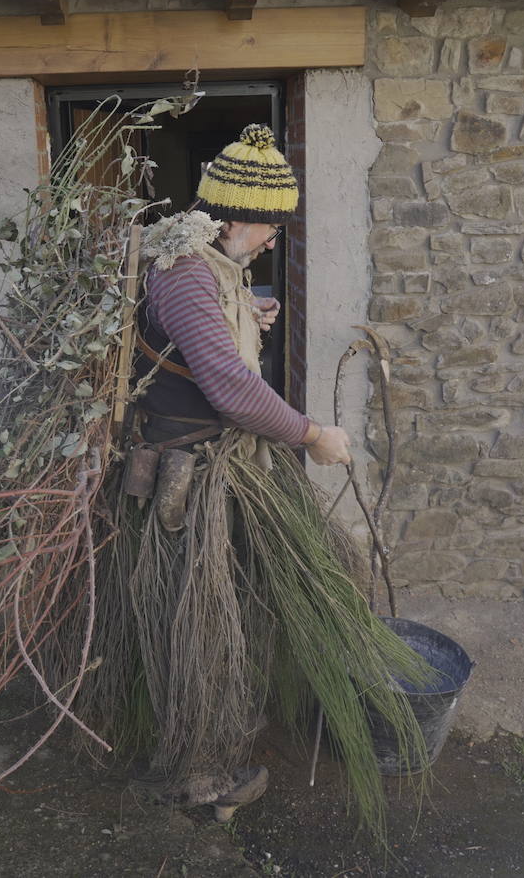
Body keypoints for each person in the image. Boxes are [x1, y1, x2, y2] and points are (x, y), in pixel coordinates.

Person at [89, 124, 411, 823]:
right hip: (188, 477)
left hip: (223, 464)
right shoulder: (180, 275)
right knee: (198, 626)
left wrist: (250, 312)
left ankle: (246, 714)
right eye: (269, 228)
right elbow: (231, 391)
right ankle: (198, 775)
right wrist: (312, 434)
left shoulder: (211, 265)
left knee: (300, 578)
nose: (273, 241)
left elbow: (211, 340)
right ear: (236, 218)